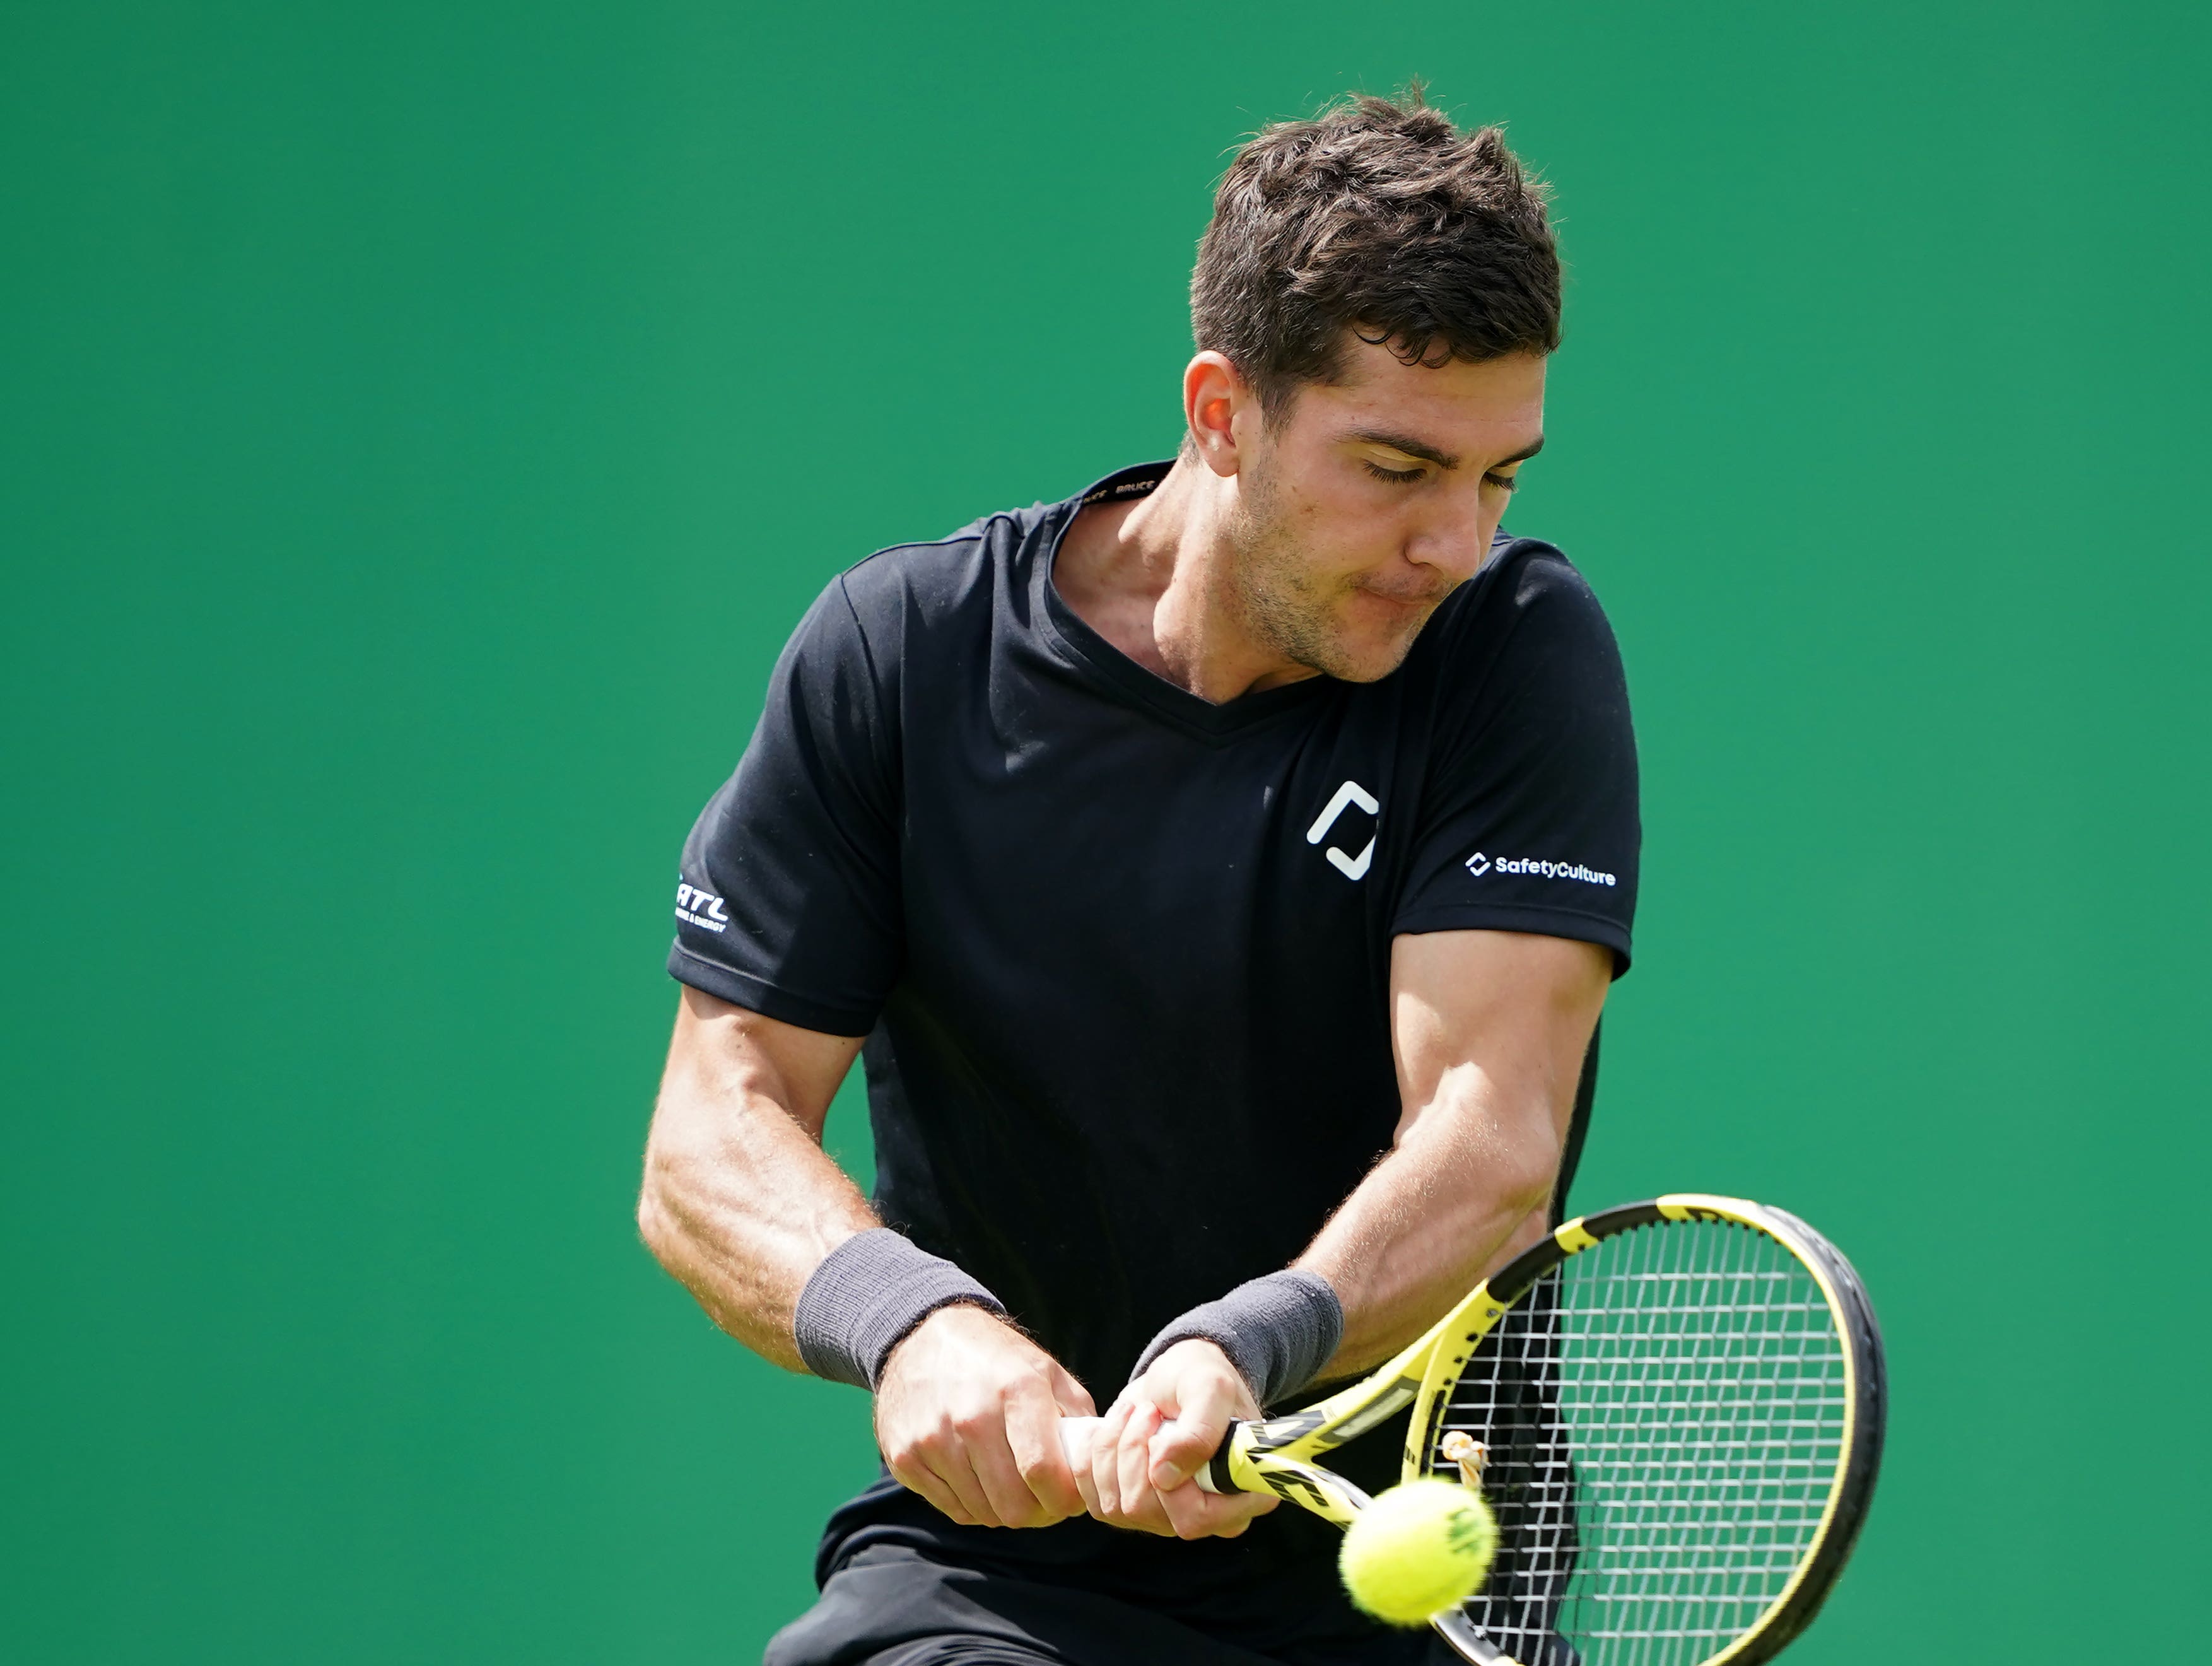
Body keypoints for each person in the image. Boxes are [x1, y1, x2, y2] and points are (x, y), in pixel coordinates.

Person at [640, 88, 1640, 1666]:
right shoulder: (898, 660)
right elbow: (711, 1129)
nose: (1452, 541)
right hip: (1006, 1577)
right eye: (1395, 467)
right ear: (1223, 410)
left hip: (1402, 1583)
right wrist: (907, 1318)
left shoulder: (1511, 653)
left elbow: (1491, 1132)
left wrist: (1251, 1342)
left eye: (1498, 478)